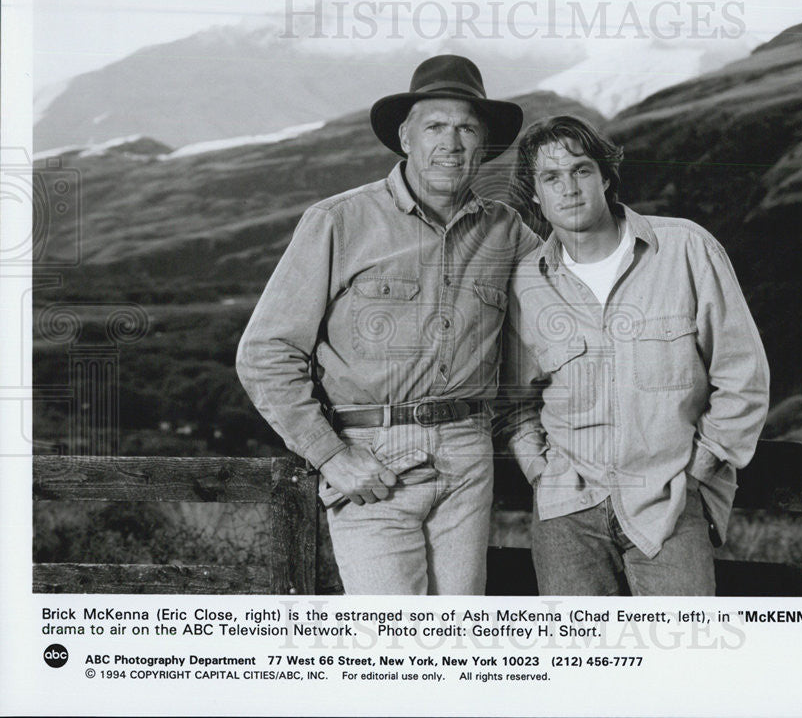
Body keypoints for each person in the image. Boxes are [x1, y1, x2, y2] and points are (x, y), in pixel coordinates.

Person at [236, 55, 539, 595]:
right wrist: (332, 455)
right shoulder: (338, 221)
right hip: (372, 461)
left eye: (467, 128)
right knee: (393, 644)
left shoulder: (507, 231)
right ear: (406, 138)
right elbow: (265, 352)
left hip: (469, 459)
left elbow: (573, 294)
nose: (452, 142)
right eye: (436, 127)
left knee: (457, 642)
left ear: (484, 144)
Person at [500, 115, 769, 595]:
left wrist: (702, 468)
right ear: (536, 195)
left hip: (670, 501)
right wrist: (539, 471)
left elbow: (742, 374)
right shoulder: (528, 283)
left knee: (680, 660)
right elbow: (515, 398)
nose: (569, 188)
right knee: (581, 664)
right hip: (566, 510)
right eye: (551, 178)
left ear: (605, 177)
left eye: (581, 171)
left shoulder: (685, 248)